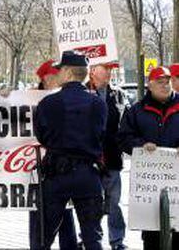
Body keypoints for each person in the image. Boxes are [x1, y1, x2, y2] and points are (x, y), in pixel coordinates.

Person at [33, 50, 106, 250]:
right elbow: (101, 135)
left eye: (59, 70)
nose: (57, 74)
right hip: (88, 174)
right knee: (93, 237)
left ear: (67, 72)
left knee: (44, 236)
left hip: (57, 174)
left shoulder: (48, 103)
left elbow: (41, 135)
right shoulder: (98, 103)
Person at [118, 67, 179, 250]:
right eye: (160, 82)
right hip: (149, 183)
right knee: (152, 233)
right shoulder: (137, 110)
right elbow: (123, 138)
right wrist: (140, 145)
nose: (165, 85)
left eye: (167, 81)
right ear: (150, 85)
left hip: (176, 181)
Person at [30, 59, 79, 250]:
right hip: (37, 172)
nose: (57, 80)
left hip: (62, 169)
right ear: (45, 79)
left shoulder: (64, 99)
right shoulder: (29, 98)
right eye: (53, 76)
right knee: (39, 221)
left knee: (66, 216)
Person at [87, 62, 129, 250]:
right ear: (93, 70)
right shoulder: (83, 92)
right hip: (88, 160)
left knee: (114, 203)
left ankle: (117, 241)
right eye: (106, 68)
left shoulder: (119, 94)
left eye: (112, 69)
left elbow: (127, 123)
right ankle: (90, 238)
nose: (110, 73)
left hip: (112, 158)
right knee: (91, 203)